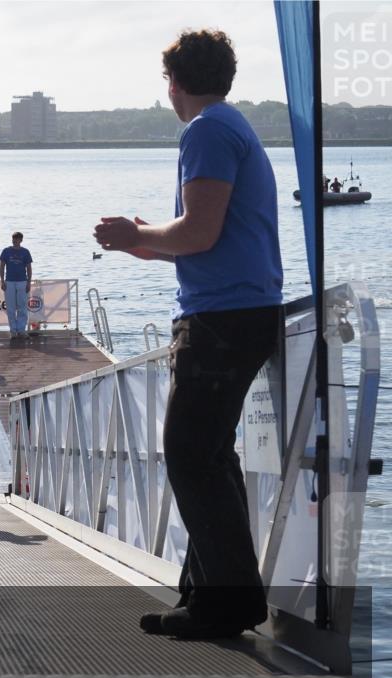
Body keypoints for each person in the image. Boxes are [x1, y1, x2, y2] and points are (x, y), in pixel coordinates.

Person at [92, 29, 283, 640]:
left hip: (222, 320)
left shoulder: (205, 131)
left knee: (189, 454)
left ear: (174, 82)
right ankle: (206, 594)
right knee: (208, 454)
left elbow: (198, 234)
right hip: (238, 311)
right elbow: (206, 237)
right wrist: (145, 240)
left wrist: (137, 236)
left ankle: (227, 604)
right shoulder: (232, 126)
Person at [0, 232, 33, 339]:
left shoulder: (25, 252)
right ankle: (13, 330)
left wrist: (29, 282)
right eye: (14, 239)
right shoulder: (6, 251)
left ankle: (21, 330)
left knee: (22, 307)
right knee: (10, 307)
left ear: (21, 240)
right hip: (9, 281)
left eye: (17, 239)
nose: (15, 241)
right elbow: (2, 266)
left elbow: (29, 268)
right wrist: (2, 281)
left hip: (22, 281)